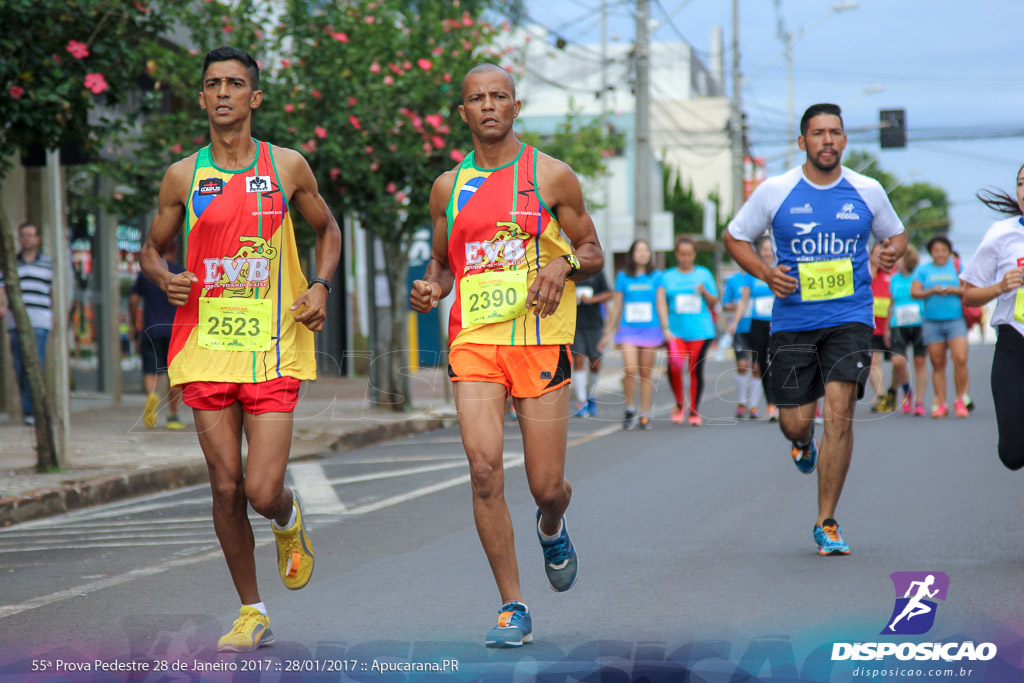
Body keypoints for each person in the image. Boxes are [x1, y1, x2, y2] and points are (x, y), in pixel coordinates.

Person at [139, 46, 342, 652]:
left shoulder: (287, 168)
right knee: (224, 486)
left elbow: (328, 229)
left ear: (255, 98)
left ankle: (285, 516)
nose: (222, 92)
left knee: (259, 488)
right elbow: (153, 248)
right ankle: (252, 609)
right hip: (203, 347)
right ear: (201, 99)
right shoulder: (184, 176)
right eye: (212, 84)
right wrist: (162, 276)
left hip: (274, 346)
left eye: (234, 84)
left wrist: (321, 286)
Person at [409, 63, 603, 648]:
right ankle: (512, 605)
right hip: (475, 343)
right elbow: (443, 264)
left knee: (546, 484)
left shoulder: (552, 177)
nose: (489, 105)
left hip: (539, 341)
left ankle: (553, 524)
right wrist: (430, 286)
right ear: (463, 114)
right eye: (477, 98)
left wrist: (561, 262)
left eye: (499, 96)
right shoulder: (449, 187)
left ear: (517, 107)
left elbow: (591, 249)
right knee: (484, 469)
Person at [724, 103, 907, 556]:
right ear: (802, 142)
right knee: (796, 421)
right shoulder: (776, 190)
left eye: (836, 132)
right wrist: (766, 275)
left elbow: (896, 235)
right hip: (792, 324)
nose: (828, 140)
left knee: (841, 410)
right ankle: (801, 443)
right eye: (819, 133)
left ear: (844, 140)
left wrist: (888, 253)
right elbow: (734, 237)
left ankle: (826, 520)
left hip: (850, 318)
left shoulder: (867, 190)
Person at [960, 167, 1024, 470]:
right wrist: (1000, 287)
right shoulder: (1001, 234)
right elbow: (969, 295)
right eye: (1022, 184)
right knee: (1012, 454)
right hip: (1014, 346)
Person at [601, 239, 663, 430]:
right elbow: (617, 305)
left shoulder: (657, 276)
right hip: (628, 330)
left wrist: (667, 329)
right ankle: (630, 407)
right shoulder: (623, 277)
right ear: (632, 254)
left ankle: (644, 414)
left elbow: (661, 304)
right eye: (639, 250)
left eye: (646, 250)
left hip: (651, 330)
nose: (643, 254)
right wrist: (608, 331)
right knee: (630, 370)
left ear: (650, 254)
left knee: (646, 373)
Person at [657, 235, 718, 426]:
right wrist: (665, 327)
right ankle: (679, 403)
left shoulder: (704, 274)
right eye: (682, 254)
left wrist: (705, 292)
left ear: (694, 255)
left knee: (695, 370)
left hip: (700, 331)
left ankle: (694, 410)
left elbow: (714, 301)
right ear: (677, 254)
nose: (685, 258)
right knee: (674, 367)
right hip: (675, 332)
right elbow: (662, 304)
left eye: (689, 254)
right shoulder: (668, 276)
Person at [0, 222, 54, 425]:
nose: (26, 239)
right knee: (20, 366)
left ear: (38, 239)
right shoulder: (11, 264)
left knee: (35, 363)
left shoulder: (48, 264)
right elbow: (2, 288)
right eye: (23, 235)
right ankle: (29, 409)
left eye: (30, 235)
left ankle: (33, 411)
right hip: (16, 322)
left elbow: (53, 293)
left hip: (40, 320)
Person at [911, 235, 971, 418]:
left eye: (944, 250)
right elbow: (914, 292)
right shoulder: (923, 270)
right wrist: (932, 291)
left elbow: (970, 289)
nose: (940, 254)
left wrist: (953, 290)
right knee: (938, 364)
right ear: (931, 252)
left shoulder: (958, 266)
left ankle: (961, 399)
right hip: (932, 321)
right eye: (936, 251)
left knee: (960, 359)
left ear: (949, 251)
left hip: (955, 320)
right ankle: (941, 402)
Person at [130, 240, 185, 430]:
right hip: (175, 330)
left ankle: (152, 395)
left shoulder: (148, 275)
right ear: (175, 253)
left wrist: (133, 324)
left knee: (151, 370)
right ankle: (173, 416)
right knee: (174, 375)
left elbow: (134, 298)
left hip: (151, 328)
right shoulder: (180, 272)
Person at [867, 242, 909, 414]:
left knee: (897, 362)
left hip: (893, 324)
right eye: (876, 253)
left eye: (882, 254)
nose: (879, 257)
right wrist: (874, 266)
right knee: (873, 361)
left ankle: (893, 390)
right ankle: (881, 396)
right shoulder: (868, 271)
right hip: (872, 324)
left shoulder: (895, 273)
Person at [888, 246, 927, 415]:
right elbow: (891, 303)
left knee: (919, 362)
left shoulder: (919, 277)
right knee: (897, 362)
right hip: (898, 324)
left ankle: (919, 401)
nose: (895, 261)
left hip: (919, 323)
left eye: (898, 258)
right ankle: (907, 390)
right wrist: (886, 329)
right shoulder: (894, 279)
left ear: (907, 259)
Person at [571, 269, 612, 417]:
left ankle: (590, 395)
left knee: (596, 363)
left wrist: (591, 300)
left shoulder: (596, 272)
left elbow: (609, 293)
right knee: (578, 359)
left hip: (595, 324)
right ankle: (581, 401)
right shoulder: (570, 273)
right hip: (575, 325)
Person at [745, 236, 778, 421]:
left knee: (777, 362)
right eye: (764, 249)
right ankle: (771, 404)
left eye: (770, 249)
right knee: (761, 365)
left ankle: (781, 400)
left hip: (777, 323)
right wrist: (734, 322)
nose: (767, 252)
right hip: (757, 323)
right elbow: (745, 299)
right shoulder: (754, 273)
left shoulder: (782, 269)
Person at [722, 268, 754, 418]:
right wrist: (741, 305)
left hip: (758, 326)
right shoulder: (733, 280)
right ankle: (742, 403)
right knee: (742, 365)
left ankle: (754, 405)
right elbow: (725, 304)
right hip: (740, 328)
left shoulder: (760, 275)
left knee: (757, 367)